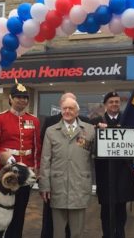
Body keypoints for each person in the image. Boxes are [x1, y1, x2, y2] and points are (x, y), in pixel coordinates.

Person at [39, 97, 95, 238]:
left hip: (79, 186)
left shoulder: (89, 130)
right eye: (64, 108)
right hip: (58, 187)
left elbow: (96, 154)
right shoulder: (51, 131)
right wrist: (44, 185)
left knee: (77, 232)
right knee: (58, 232)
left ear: (77, 111)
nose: (67, 111)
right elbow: (45, 159)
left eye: (71, 108)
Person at [0, 81, 41, 238]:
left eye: (25, 97)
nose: (22, 100)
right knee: (2, 211)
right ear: (10, 98)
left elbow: (36, 148)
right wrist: (6, 157)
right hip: (6, 173)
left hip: (25, 173)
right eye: (18, 97)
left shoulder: (34, 120)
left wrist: (35, 168)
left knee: (20, 212)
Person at [91, 91, 134, 238]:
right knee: (106, 207)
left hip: (123, 170)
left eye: (117, 102)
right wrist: (98, 129)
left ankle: (120, 234)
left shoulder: (127, 120)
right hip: (105, 171)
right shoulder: (97, 121)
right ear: (105, 104)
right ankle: (107, 234)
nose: (114, 104)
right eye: (111, 102)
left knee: (121, 207)